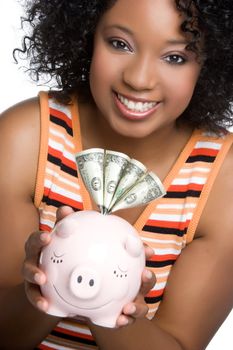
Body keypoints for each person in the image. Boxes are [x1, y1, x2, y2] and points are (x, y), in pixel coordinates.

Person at [0, 0, 233, 349]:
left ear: (209, 63)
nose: (139, 79)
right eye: (119, 43)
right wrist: (48, 287)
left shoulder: (222, 180)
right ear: (87, 36)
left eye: (175, 57)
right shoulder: (25, 138)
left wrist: (111, 306)